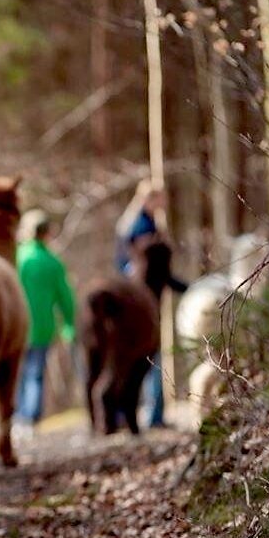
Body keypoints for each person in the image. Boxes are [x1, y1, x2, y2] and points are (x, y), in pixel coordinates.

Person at [114, 180, 187, 428]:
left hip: (137, 301)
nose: (164, 204)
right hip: (146, 302)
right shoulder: (142, 228)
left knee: (137, 358)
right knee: (150, 357)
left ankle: (132, 414)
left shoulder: (131, 226)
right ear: (150, 199)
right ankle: (153, 414)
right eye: (160, 199)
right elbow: (152, 270)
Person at [14, 210, 75, 435]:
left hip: (17, 327)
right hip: (42, 328)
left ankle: (17, 418)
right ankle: (30, 420)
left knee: (18, 374)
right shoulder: (52, 262)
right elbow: (65, 297)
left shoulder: (17, 258)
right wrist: (69, 324)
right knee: (36, 374)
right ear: (46, 233)